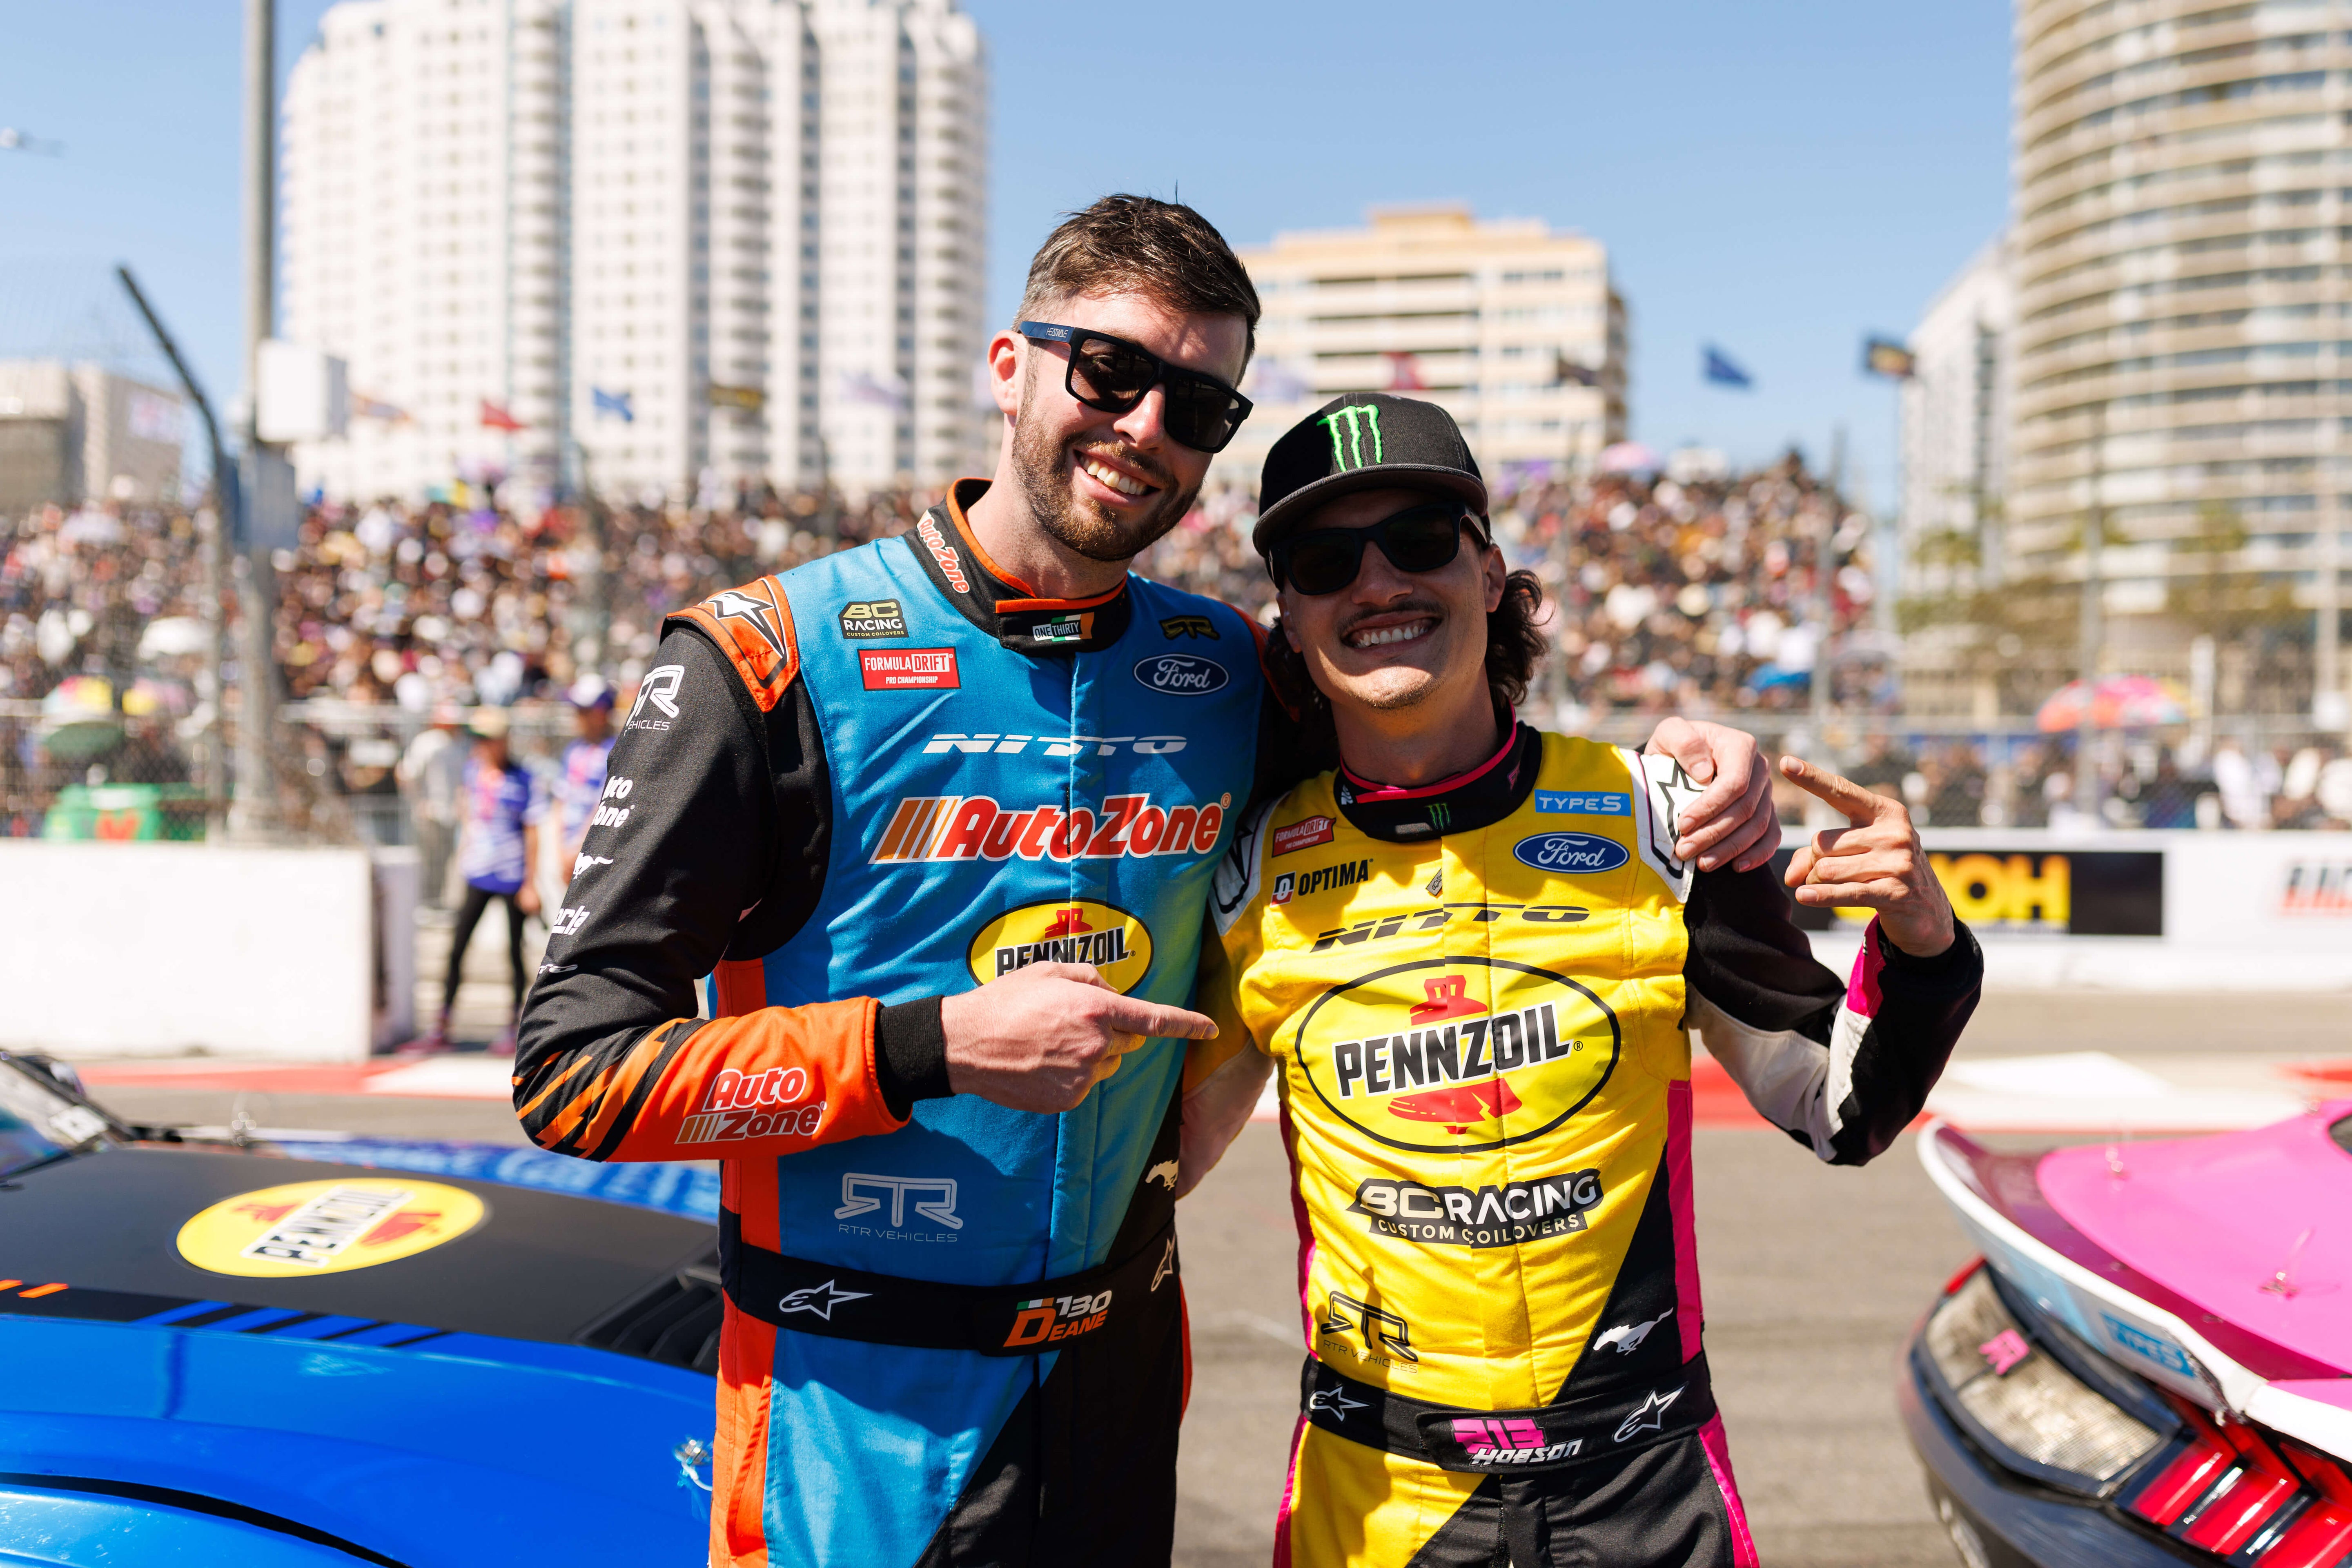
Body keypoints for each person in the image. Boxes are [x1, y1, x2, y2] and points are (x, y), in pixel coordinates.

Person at [514, 198, 1780, 1568]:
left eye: (1198, 405)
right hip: (855, 1412)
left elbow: (1448, 735)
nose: (1144, 428)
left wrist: (1691, 755)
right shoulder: (765, 659)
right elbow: (573, 1076)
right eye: (1108, 372)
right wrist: (930, 1047)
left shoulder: (1234, 670)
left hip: (1116, 1396)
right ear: (1011, 366)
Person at [1178, 393, 1984, 1568]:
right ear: (1289, 617)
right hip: (1380, 1500)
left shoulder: (1666, 818)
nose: (1379, 582)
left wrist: (1919, 941)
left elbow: (1842, 1110)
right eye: (1325, 559)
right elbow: (1140, 1173)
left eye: (1418, 541)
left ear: (1492, 574)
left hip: (1644, 1487)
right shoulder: (1248, 866)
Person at [426, 707, 544, 1054]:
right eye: (476, 738)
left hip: (511, 876)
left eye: (487, 738)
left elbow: (532, 832)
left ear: (502, 740)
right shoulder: (473, 772)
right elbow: (468, 812)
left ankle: (513, 1026)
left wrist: (530, 883)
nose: (480, 745)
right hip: (477, 872)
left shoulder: (522, 778)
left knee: (514, 952)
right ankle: (442, 1024)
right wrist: (462, 854)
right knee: (457, 948)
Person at [399, 703, 468, 906]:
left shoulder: (459, 745)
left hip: (451, 813)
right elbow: (407, 774)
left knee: (445, 860)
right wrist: (419, 801)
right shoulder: (427, 743)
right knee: (428, 860)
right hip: (430, 812)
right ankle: (423, 902)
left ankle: (436, 902)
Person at [553, 675, 616, 878]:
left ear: (600, 713)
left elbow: (604, 806)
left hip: (597, 854)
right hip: (567, 851)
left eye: (582, 711)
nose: (576, 716)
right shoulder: (573, 750)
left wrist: (577, 851)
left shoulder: (614, 751)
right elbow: (560, 801)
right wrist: (561, 850)